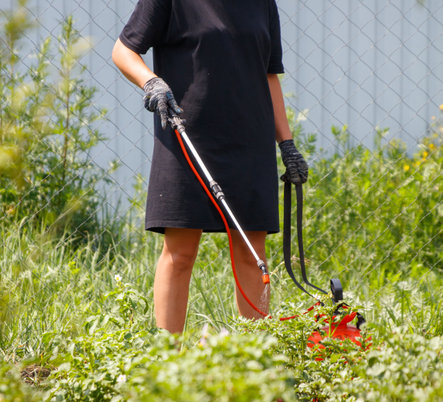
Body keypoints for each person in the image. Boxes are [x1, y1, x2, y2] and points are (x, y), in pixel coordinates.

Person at [112, 0, 308, 334]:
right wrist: (151, 82)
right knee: (180, 254)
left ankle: (253, 363)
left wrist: (286, 144)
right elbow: (124, 51)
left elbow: (268, 75)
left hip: (250, 141)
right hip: (186, 138)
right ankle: (167, 365)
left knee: (252, 254)